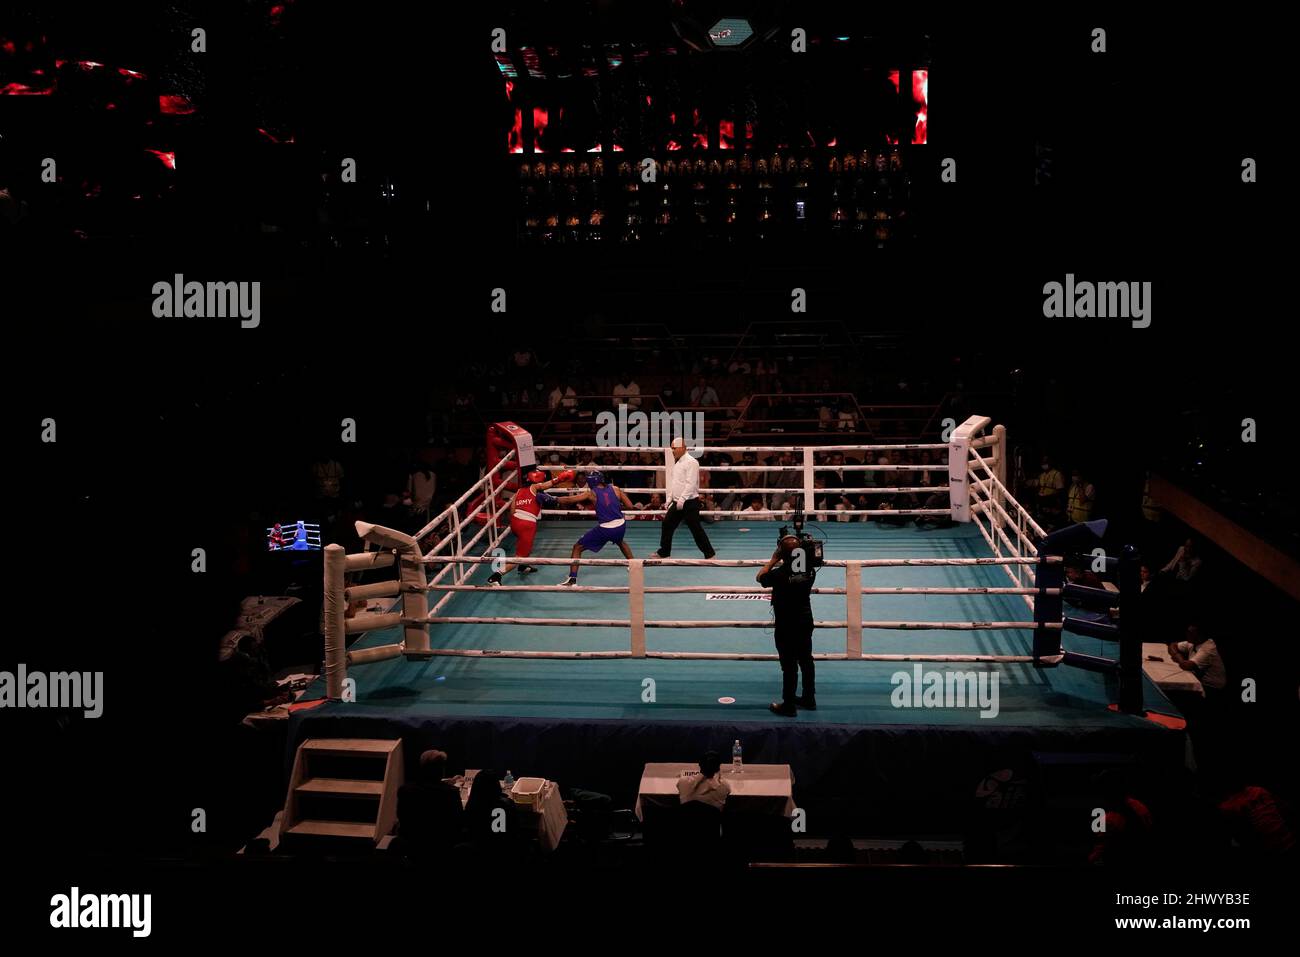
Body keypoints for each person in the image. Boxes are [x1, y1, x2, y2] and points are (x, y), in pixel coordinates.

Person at [757, 534, 817, 716]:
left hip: (786, 624)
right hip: (805, 620)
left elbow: (760, 577)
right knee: (806, 660)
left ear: (782, 553)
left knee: (789, 665)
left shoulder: (779, 574)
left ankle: (789, 705)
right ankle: (809, 698)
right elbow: (800, 567)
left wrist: (774, 559)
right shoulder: (811, 571)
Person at [488, 468, 576, 585]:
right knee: (521, 556)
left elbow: (512, 510)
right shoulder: (534, 488)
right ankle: (495, 576)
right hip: (527, 524)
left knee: (525, 547)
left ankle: (523, 567)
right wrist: (559, 479)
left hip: (515, 522)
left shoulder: (519, 491)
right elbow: (544, 486)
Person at [561, 470, 636, 585]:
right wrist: (614, 505)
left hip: (606, 528)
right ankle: (634, 565)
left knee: (577, 547)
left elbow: (569, 499)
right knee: (619, 541)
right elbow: (630, 506)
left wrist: (552, 499)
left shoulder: (591, 493)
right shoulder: (616, 489)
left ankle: (572, 579)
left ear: (591, 481)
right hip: (621, 525)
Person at [652, 438, 716, 560]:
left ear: (682, 447)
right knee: (667, 524)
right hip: (678, 501)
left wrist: (682, 499)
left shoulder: (692, 462)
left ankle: (710, 554)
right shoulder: (678, 463)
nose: (672, 451)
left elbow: (691, 483)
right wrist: (670, 498)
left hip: (689, 502)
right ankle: (664, 552)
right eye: (671, 448)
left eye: (674, 448)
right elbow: (675, 483)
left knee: (695, 528)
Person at [395, 750, 464, 861]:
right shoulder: (451, 793)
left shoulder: (405, 791)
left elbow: (401, 818)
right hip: (443, 849)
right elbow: (458, 822)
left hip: (412, 847)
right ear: (441, 770)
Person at [1168, 623, 1227, 693]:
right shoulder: (1194, 643)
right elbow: (1172, 645)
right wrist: (1177, 654)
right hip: (1198, 679)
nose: (1186, 634)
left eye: (1190, 632)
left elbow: (1187, 666)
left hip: (1211, 687)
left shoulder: (1208, 648)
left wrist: (1177, 657)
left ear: (1198, 635)